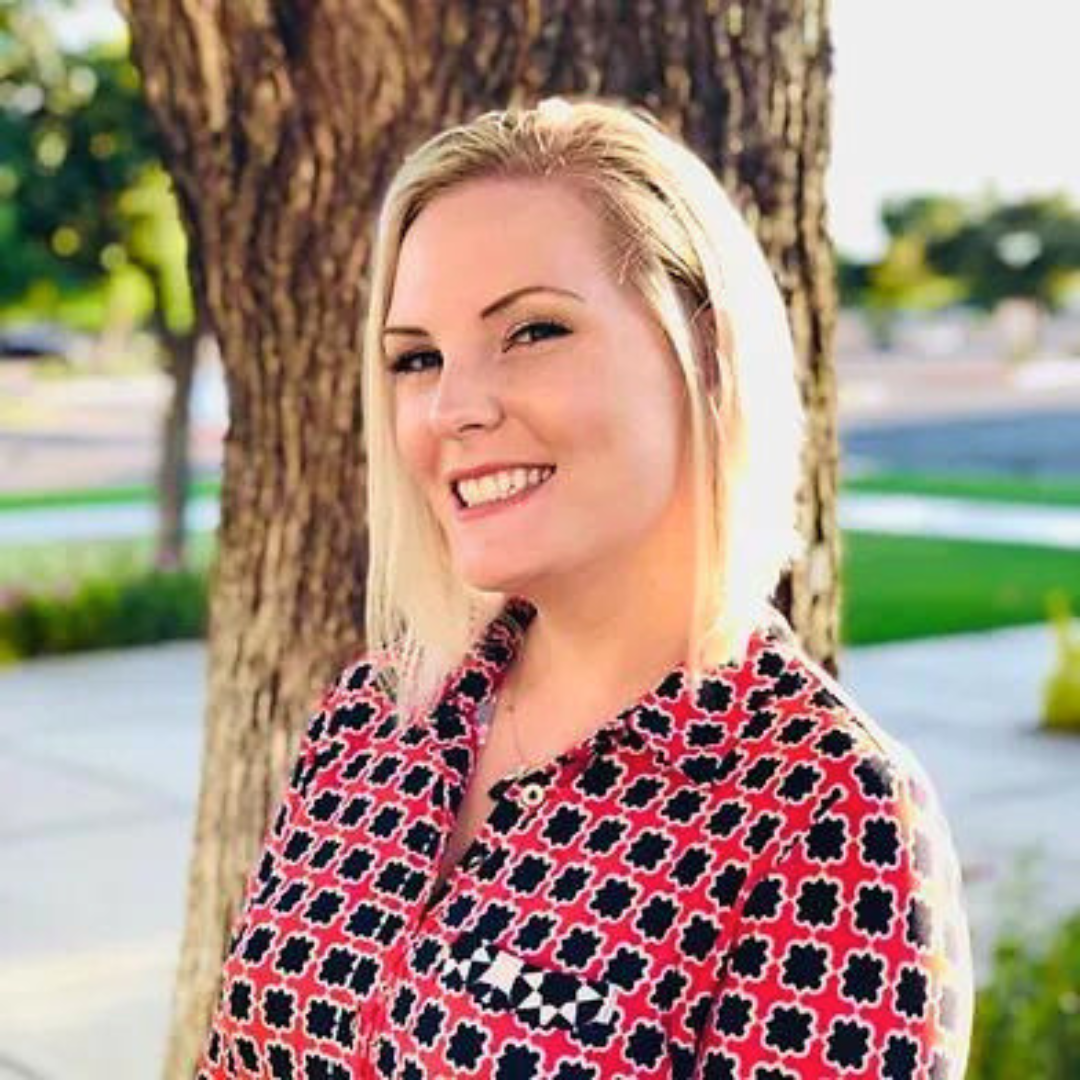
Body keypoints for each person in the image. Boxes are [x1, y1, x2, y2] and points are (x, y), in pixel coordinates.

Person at [196, 96, 973, 1079]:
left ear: (709, 356)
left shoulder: (825, 814)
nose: (453, 409)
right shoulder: (372, 716)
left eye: (532, 332)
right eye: (416, 358)